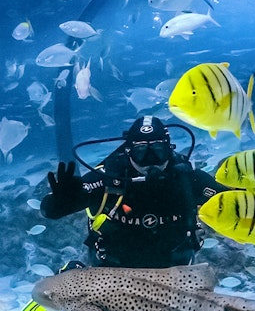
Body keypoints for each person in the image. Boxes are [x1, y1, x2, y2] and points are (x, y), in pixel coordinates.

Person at [41, 115, 228, 269]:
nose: (150, 159)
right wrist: (62, 201)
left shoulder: (187, 179)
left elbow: (233, 200)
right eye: (141, 151)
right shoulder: (107, 178)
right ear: (128, 152)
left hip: (176, 274)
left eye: (158, 150)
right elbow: (51, 211)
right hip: (112, 272)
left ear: (169, 150)